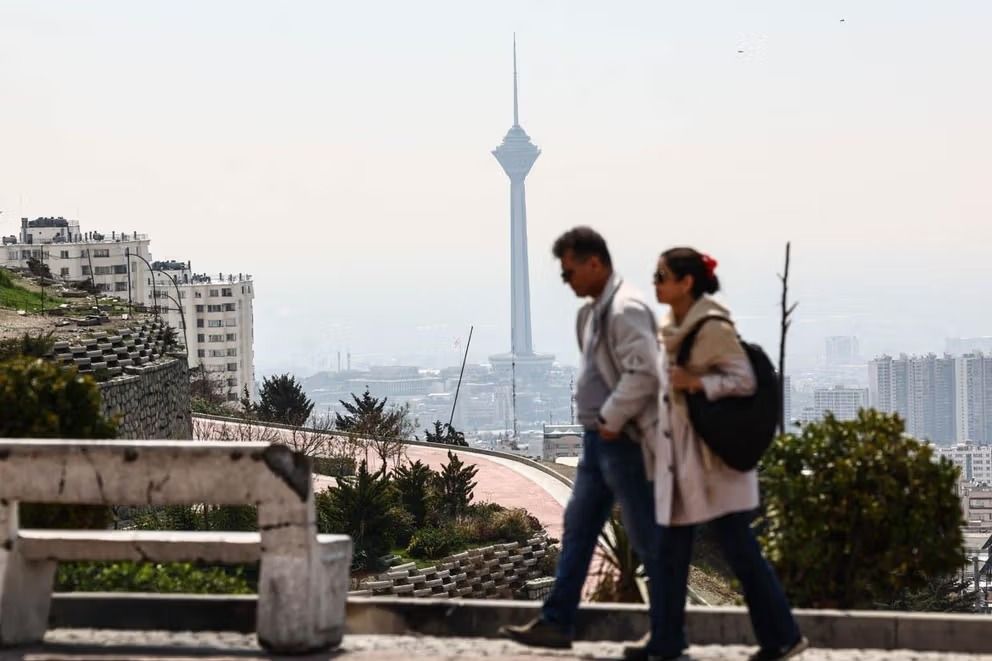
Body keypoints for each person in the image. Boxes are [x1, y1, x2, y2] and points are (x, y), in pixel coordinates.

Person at [501, 226, 666, 656]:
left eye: (569, 271)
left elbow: (646, 371)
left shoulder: (625, 309)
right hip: (596, 443)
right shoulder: (591, 313)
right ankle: (557, 621)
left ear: (595, 262)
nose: (567, 281)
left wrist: (612, 418)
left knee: (646, 536)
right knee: (578, 529)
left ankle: (669, 636)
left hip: (622, 440)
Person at [647, 247, 808, 661]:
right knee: (671, 553)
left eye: (663, 274)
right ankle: (667, 643)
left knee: (740, 552)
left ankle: (783, 635)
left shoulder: (711, 327)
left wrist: (696, 382)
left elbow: (743, 379)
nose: (656, 281)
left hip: (715, 460)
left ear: (687, 282)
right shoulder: (674, 326)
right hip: (683, 461)